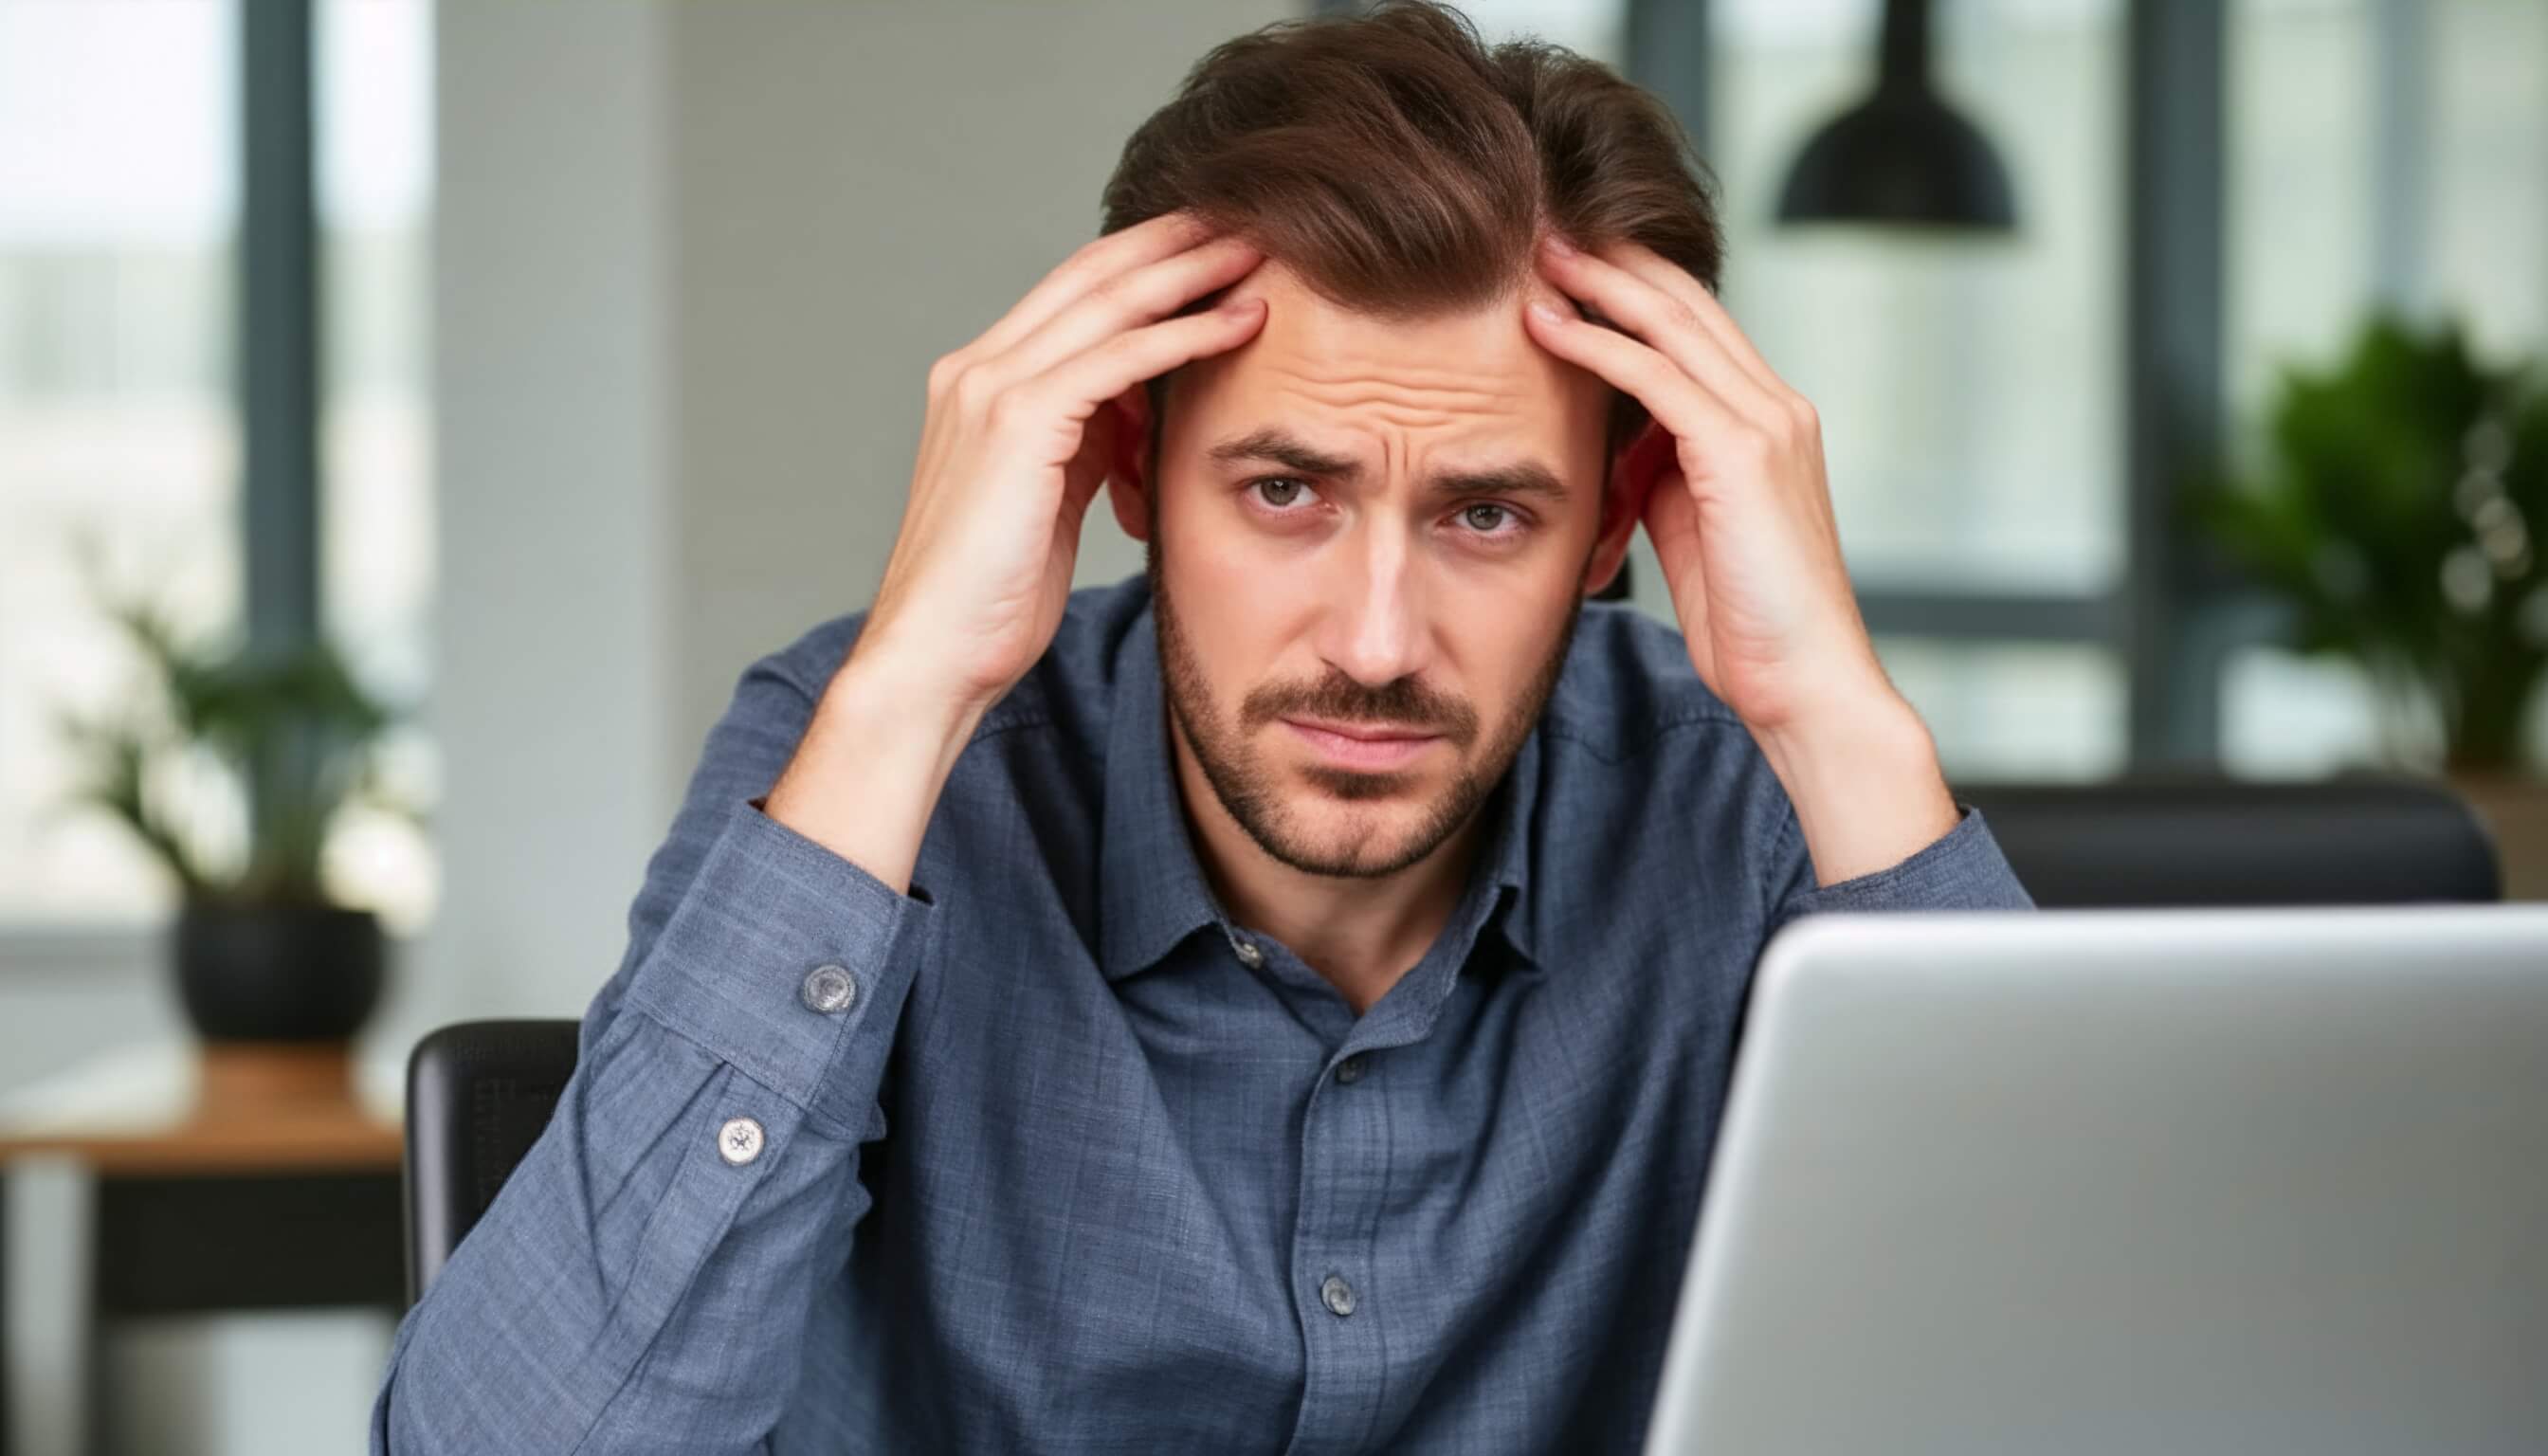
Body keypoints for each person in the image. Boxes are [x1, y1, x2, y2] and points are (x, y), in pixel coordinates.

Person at [371, 3, 2033, 1449]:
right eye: (1285, 490)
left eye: (1488, 518)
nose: (1376, 646)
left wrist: (1834, 709)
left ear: (1613, 533)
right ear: (1128, 473)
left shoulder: (1743, 805)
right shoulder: (870, 762)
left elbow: (2080, 1389)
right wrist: (906, 689)